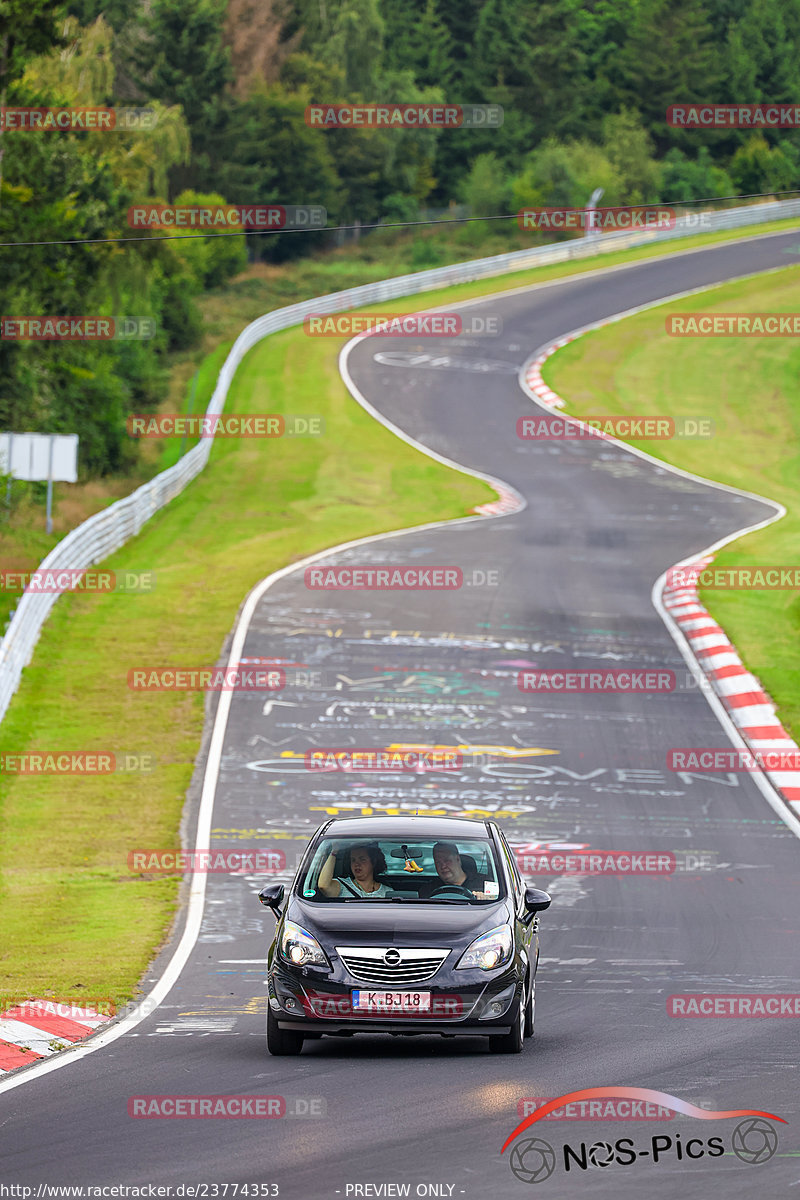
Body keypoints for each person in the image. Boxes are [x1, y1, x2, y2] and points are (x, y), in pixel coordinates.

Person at [318, 842, 392, 898]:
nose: (357, 864)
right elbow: (323, 886)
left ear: (374, 862)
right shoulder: (342, 885)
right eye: (353, 860)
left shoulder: (387, 891)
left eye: (362, 859)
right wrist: (334, 852)